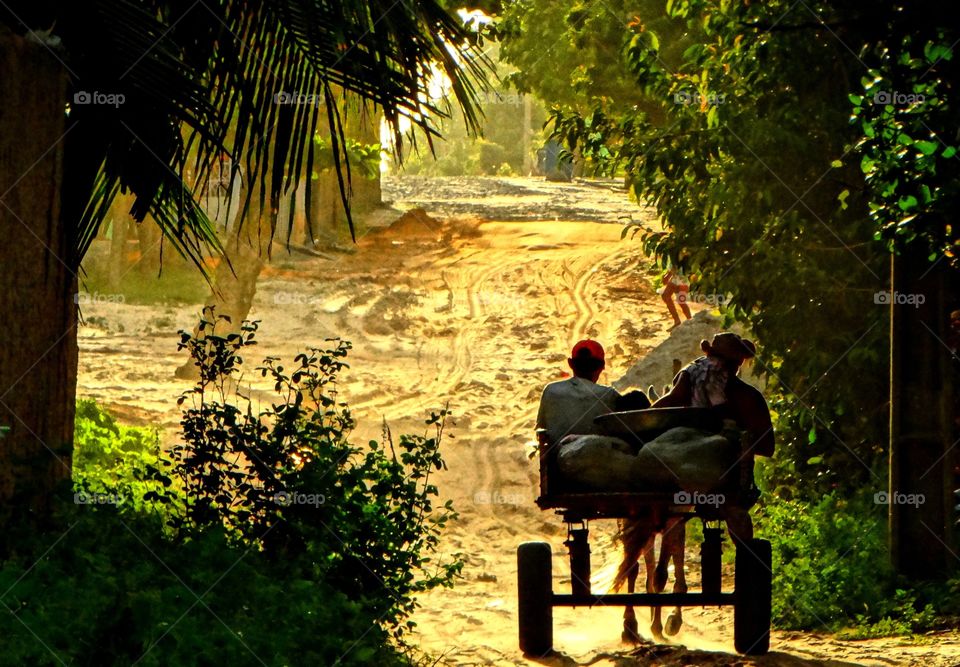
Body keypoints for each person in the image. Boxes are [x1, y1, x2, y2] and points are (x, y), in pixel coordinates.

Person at [653, 332, 774, 545]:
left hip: (680, 475)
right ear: (739, 363)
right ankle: (746, 555)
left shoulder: (689, 376)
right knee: (737, 513)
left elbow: (670, 402)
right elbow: (766, 447)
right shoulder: (748, 396)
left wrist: (642, 420)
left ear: (709, 354)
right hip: (727, 483)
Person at [536, 340, 649, 446]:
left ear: (570, 364)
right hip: (600, 460)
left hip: (557, 461)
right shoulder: (609, 395)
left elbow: (542, 429)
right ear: (601, 366)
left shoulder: (551, 391)